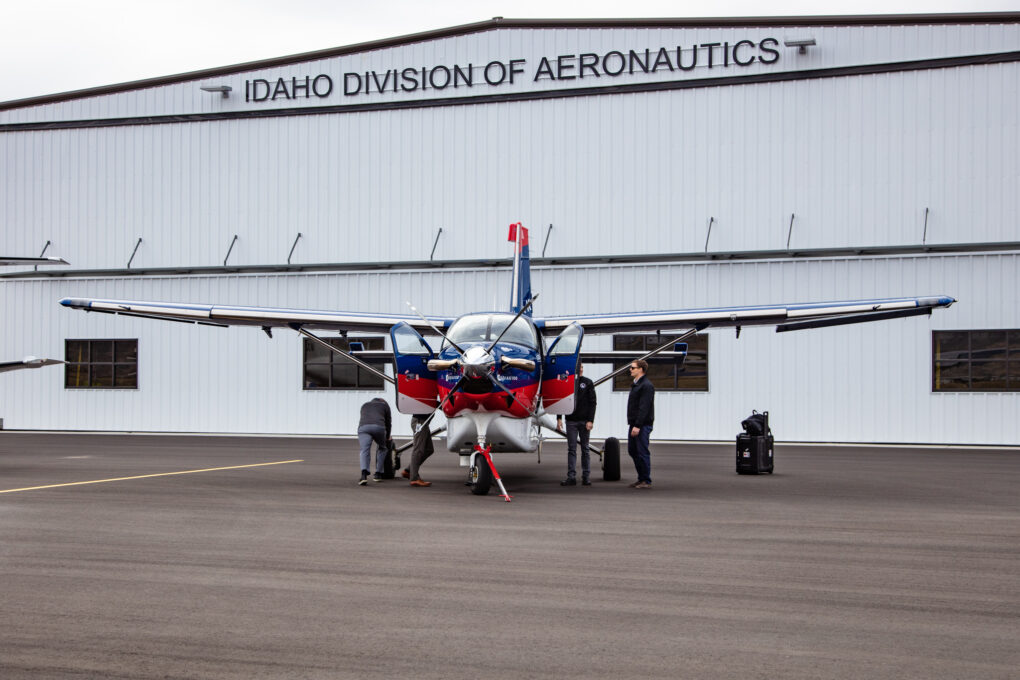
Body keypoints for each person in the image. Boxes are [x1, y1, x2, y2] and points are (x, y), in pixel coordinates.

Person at [557, 362, 596, 486]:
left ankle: (586, 476)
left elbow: (593, 403)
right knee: (572, 449)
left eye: (582, 367)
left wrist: (591, 420)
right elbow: (561, 399)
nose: (581, 369)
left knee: (585, 448)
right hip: (571, 421)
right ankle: (571, 477)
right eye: (579, 367)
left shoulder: (588, 382)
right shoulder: (566, 382)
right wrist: (559, 418)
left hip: (584, 421)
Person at [626, 360, 655, 489]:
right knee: (632, 450)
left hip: (641, 425)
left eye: (633, 368)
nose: (630, 370)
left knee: (642, 451)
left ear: (641, 369)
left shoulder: (646, 386)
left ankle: (646, 480)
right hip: (634, 424)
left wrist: (638, 425)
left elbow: (644, 407)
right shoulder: (636, 384)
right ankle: (641, 477)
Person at [357, 397, 391, 485]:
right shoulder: (385, 406)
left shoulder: (364, 405)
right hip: (378, 427)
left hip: (363, 428)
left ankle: (364, 475)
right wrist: (387, 436)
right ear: (383, 401)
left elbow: (363, 418)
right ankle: (378, 474)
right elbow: (388, 422)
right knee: (382, 448)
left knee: (364, 450)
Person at [401, 414, 435, 487]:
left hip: (424, 422)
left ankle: (408, 470)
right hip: (420, 422)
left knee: (429, 449)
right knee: (418, 449)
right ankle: (414, 478)